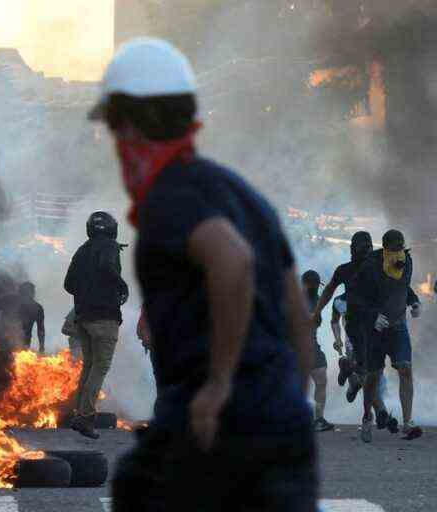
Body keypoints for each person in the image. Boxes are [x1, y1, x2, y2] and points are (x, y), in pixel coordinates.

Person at [92, 38, 316, 510]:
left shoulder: (170, 196)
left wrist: (219, 385)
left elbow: (232, 260)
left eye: (114, 125)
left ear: (132, 124)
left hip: (214, 428)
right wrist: (285, 406)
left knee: (136, 487)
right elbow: (296, 313)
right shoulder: (243, 196)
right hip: (282, 431)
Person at [64, 211, 129, 439]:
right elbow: (106, 265)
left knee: (89, 366)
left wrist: (87, 292)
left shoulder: (82, 250)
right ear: (112, 228)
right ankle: (85, 417)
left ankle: (78, 414)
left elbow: (68, 284)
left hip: (83, 317)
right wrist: (121, 285)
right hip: (104, 317)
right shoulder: (109, 246)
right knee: (100, 367)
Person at [356, 229, 422, 441]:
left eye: (400, 248)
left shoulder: (407, 261)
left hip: (398, 325)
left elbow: (403, 287)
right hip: (375, 330)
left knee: (405, 368)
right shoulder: (370, 266)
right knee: (373, 377)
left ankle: (408, 422)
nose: (398, 253)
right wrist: (373, 316)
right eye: (393, 249)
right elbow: (357, 299)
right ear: (384, 248)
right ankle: (367, 417)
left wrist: (413, 301)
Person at [312, 231, 374, 405]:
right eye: (363, 247)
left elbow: (329, 291)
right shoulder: (345, 275)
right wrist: (337, 337)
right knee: (367, 366)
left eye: (367, 247)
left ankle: (351, 374)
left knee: (369, 368)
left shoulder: (374, 267)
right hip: (356, 328)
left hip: (373, 324)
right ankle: (352, 376)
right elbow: (332, 314)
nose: (365, 251)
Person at [331, 293, 398, 434]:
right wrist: (337, 339)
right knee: (365, 376)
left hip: (371, 343)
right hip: (353, 343)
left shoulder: (370, 297)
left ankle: (354, 386)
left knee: (370, 378)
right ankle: (382, 412)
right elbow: (334, 321)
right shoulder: (339, 301)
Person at [301, 271, 334, 432]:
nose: (313, 287)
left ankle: (318, 419)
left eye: (315, 284)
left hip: (311, 345)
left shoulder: (317, 299)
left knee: (321, 379)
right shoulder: (294, 298)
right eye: (311, 284)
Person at [0, 282, 45, 353]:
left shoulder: (37, 308)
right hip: (5, 341)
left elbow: (41, 330)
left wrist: (41, 347)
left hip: (22, 344)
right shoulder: (8, 300)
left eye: (31, 292)